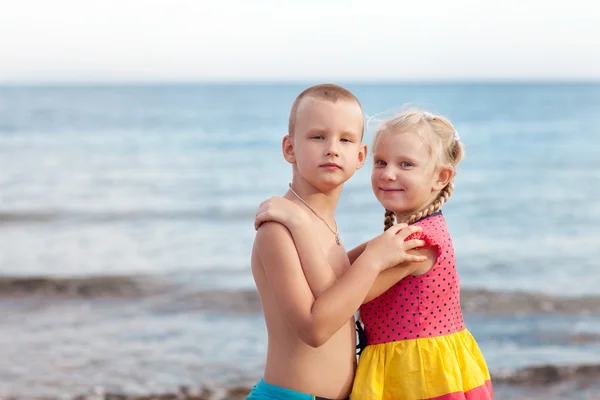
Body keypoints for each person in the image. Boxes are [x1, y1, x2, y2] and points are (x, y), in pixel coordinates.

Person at [255, 108, 493, 399]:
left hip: (418, 378)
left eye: (406, 164)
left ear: (440, 177)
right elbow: (344, 276)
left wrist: (299, 222)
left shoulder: (415, 243)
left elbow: (336, 295)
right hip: (403, 372)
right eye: (380, 162)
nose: (388, 173)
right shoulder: (398, 239)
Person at [247, 84, 427, 400]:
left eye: (345, 139)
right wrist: (373, 259)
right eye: (318, 137)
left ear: (359, 156)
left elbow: (339, 288)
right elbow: (314, 329)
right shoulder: (277, 229)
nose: (332, 148)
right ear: (289, 148)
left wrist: (381, 250)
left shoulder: (319, 223)